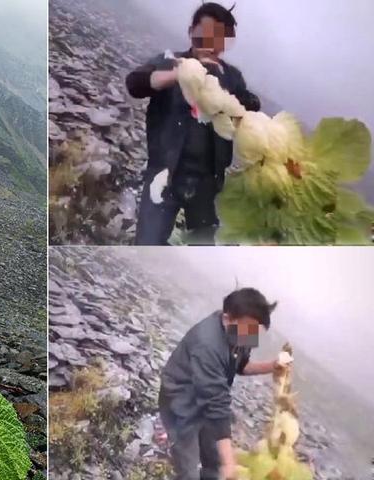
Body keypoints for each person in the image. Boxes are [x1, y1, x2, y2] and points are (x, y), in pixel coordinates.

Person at [125, 2, 261, 246]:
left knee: (204, 244)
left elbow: (252, 104)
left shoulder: (231, 76)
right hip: (165, 173)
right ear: (192, 32)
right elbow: (136, 83)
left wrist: (230, 97)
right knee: (148, 244)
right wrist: (179, 75)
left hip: (208, 183)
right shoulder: (170, 62)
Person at [157, 288, 293, 479]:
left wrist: (273, 366)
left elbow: (241, 366)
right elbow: (216, 405)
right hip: (181, 400)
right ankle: (176, 440)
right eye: (249, 329)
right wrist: (230, 462)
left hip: (206, 400)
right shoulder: (207, 345)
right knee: (188, 469)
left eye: (256, 331)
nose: (251, 339)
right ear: (228, 318)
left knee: (214, 461)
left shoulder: (240, 332)